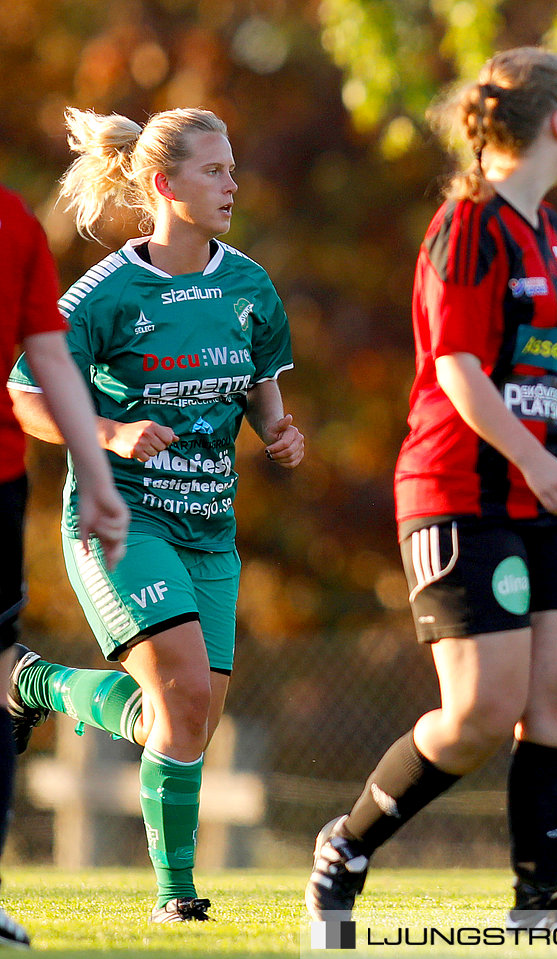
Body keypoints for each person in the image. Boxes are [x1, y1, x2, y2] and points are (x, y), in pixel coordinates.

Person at [305, 47, 557, 930]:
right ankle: (347, 843)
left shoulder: (548, 229)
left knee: (556, 704)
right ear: (556, 122)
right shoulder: (468, 224)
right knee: (478, 715)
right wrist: (535, 462)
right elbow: (460, 371)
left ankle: (538, 905)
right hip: (462, 494)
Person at [6, 107, 303, 923]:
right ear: (165, 185)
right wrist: (108, 432)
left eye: (233, 167)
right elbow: (23, 395)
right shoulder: (105, 294)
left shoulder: (249, 284)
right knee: (178, 700)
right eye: (214, 171)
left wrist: (279, 430)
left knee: (185, 720)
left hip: (212, 531)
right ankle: (178, 898)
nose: (232, 185)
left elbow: (261, 388)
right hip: (121, 523)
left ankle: (35, 681)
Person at [0, 184, 133, 945]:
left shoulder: (15, 225)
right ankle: (33, 682)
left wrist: (99, 468)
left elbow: (45, 359)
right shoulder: (26, 223)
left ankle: (30, 682)